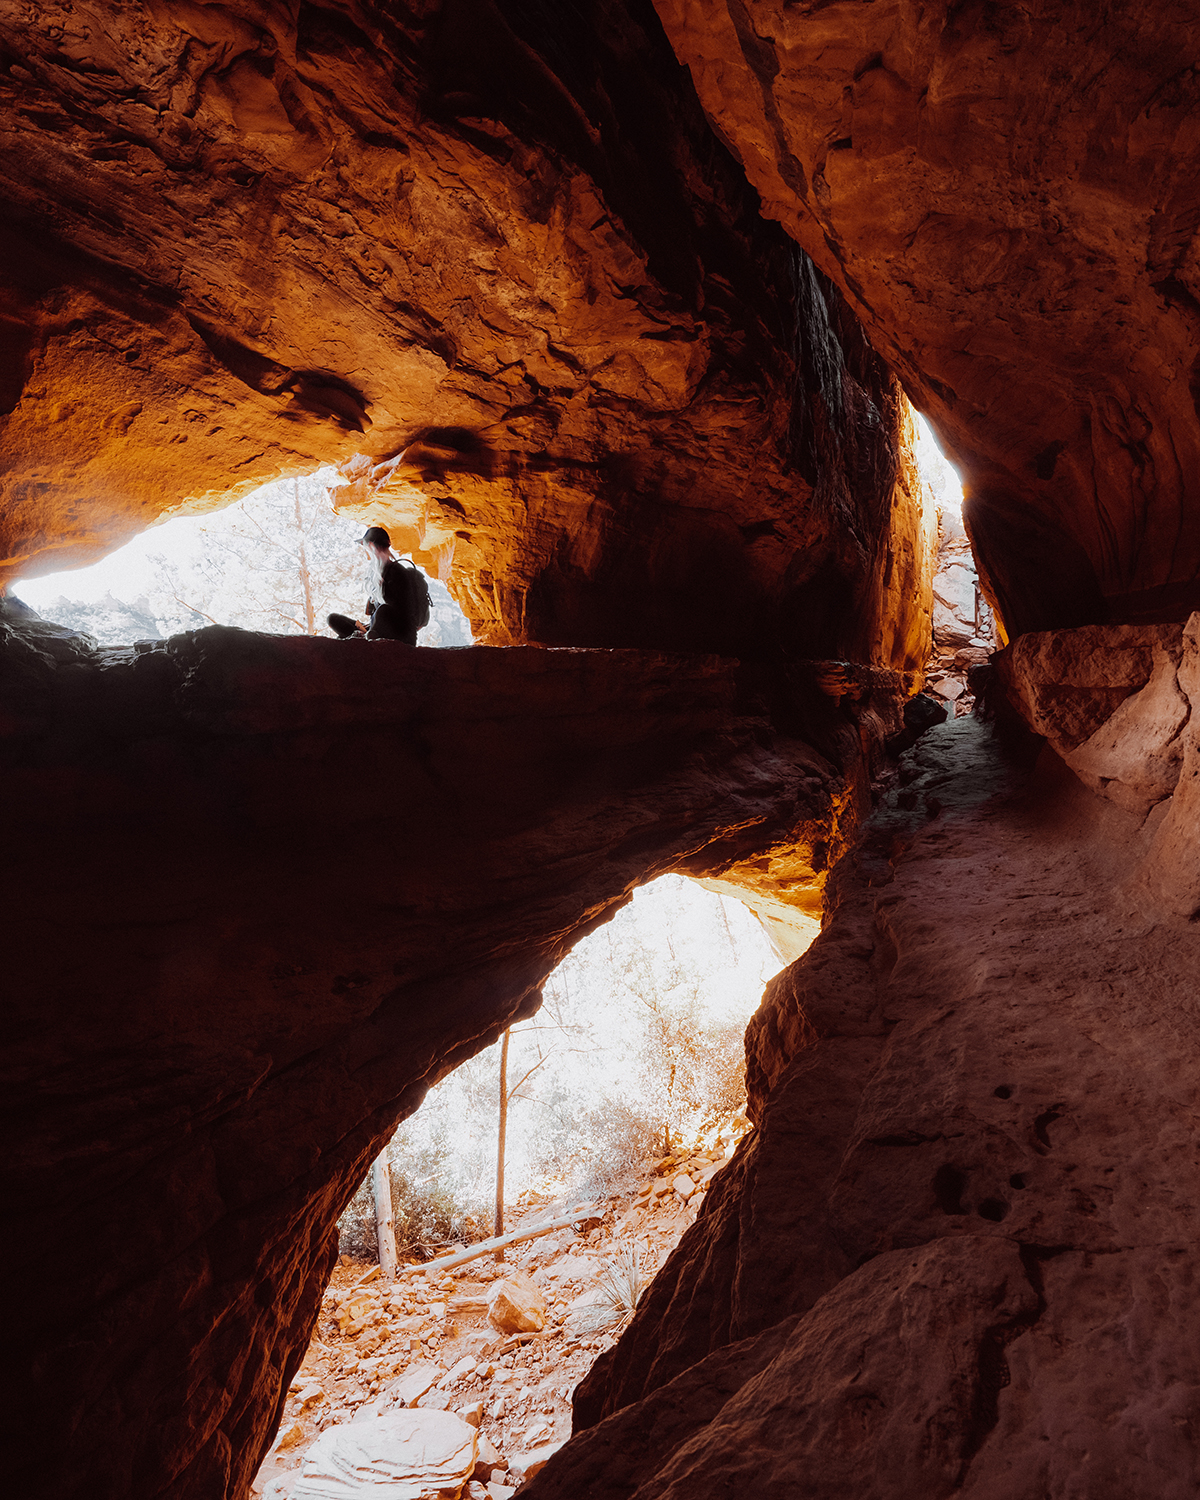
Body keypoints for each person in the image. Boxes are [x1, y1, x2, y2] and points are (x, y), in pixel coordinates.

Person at [328, 526, 430, 645]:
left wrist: (381, 595)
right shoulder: (379, 574)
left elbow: (403, 612)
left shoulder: (398, 572)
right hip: (378, 629)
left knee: (384, 610)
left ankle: (366, 638)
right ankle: (365, 636)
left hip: (402, 634)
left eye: (367, 548)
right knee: (333, 619)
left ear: (371, 545)